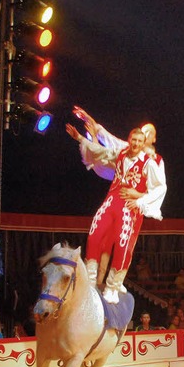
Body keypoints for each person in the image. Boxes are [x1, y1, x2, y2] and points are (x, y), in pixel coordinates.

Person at [66, 122, 167, 304]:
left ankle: (113, 285)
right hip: (111, 201)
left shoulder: (151, 162)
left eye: (139, 140)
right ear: (129, 140)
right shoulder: (120, 154)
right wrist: (80, 138)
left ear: (145, 142)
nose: (136, 143)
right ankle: (90, 280)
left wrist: (139, 199)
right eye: (133, 140)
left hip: (130, 206)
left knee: (122, 244)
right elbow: (99, 152)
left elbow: (160, 187)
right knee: (94, 235)